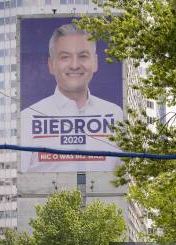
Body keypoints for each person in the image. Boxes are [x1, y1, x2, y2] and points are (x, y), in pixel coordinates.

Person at [20, 23, 124, 173]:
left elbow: (124, 176)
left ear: (95, 62)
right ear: (51, 64)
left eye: (83, 56)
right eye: (65, 57)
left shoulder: (115, 113)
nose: (75, 65)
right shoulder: (28, 118)